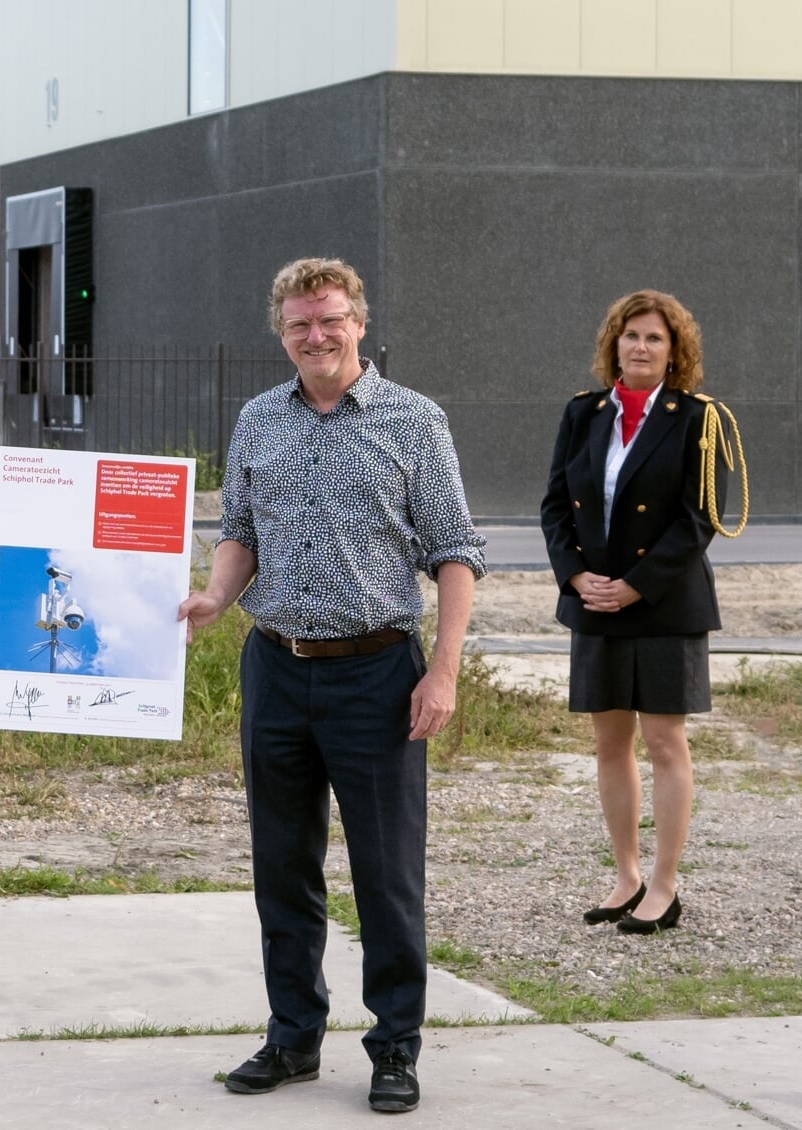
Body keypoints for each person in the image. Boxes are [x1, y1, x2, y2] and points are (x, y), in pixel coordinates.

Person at [177, 258, 484, 1115]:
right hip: (275, 667)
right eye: (300, 325)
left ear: (358, 323)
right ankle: (292, 1036)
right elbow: (241, 532)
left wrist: (444, 671)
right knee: (282, 865)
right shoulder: (256, 422)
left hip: (379, 675)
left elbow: (457, 550)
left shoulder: (414, 421)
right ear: (282, 332)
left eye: (332, 320)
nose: (317, 337)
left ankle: (393, 1047)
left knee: (386, 873)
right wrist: (214, 594)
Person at [539, 290, 727, 936]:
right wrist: (576, 576)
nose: (639, 347)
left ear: (675, 352)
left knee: (665, 743)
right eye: (630, 336)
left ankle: (666, 886)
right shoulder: (584, 414)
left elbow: (698, 519)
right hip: (595, 601)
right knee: (608, 744)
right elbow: (555, 505)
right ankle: (626, 876)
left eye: (653, 338)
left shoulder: (699, 420)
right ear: (613, 344)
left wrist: (635, 585)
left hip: (664, 604)